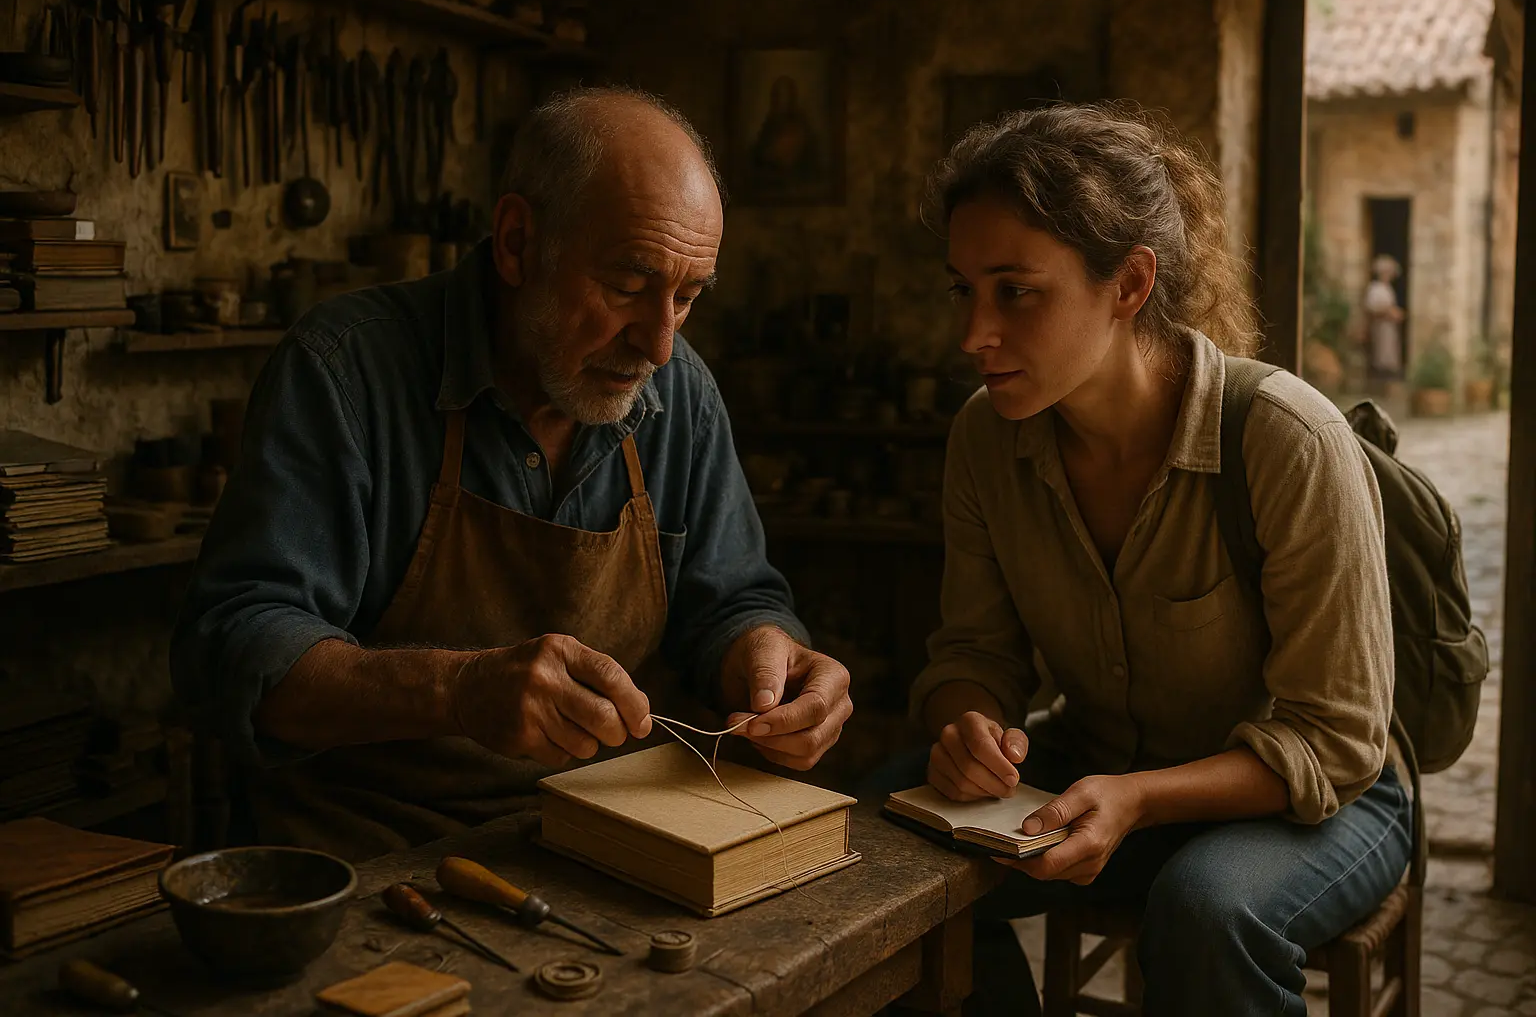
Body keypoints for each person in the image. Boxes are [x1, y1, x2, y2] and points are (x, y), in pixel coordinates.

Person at [171, 88, 853, 862]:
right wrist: (456, 691)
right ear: (518, 242)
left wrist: (768, 658)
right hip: (368, 850)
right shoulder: (344, 371)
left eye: (687, 297)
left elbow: (730, 601)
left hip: (597, 838)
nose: (659, 344)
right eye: (629, 286)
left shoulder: (680, 391)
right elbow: (235, 648)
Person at [906, 103, 1411, 1016]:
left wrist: (1138, 800)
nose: (973, 333)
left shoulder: (1285, 438)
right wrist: (969, 732)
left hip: (1317, 800)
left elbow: (1335, 742)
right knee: (886, 853)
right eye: (962, 290)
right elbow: (975, 653)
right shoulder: (985, 440)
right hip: (1103, 765)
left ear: (1130, 283)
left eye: (1015, 290)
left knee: (1207, 910)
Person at [1364, 253, 1405, 382]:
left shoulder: (1387, 288)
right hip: (1381, 326)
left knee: (1390, 352)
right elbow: (1372, 308)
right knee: (1382, 353)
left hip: (1389, 327)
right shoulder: (1375, 288)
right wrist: (1389, 312)